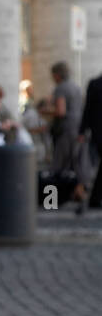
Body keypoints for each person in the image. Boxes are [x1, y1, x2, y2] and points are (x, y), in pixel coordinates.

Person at [49, 60, 83, 173]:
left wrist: (45, 111)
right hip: (77, 128)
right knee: (75, 162)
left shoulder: (61, 88)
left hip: (65, 130)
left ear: (57, 75)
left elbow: (60, 111)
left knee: (59, 164)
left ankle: (53, 190)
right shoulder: (76, 87)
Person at [82, 71, 102, 209]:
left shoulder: (94, 84)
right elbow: (88, 109)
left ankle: (95, 197)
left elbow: (87, 109)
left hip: (97, 131)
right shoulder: (95, 84)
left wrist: (82, 130)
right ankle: (95, 197)